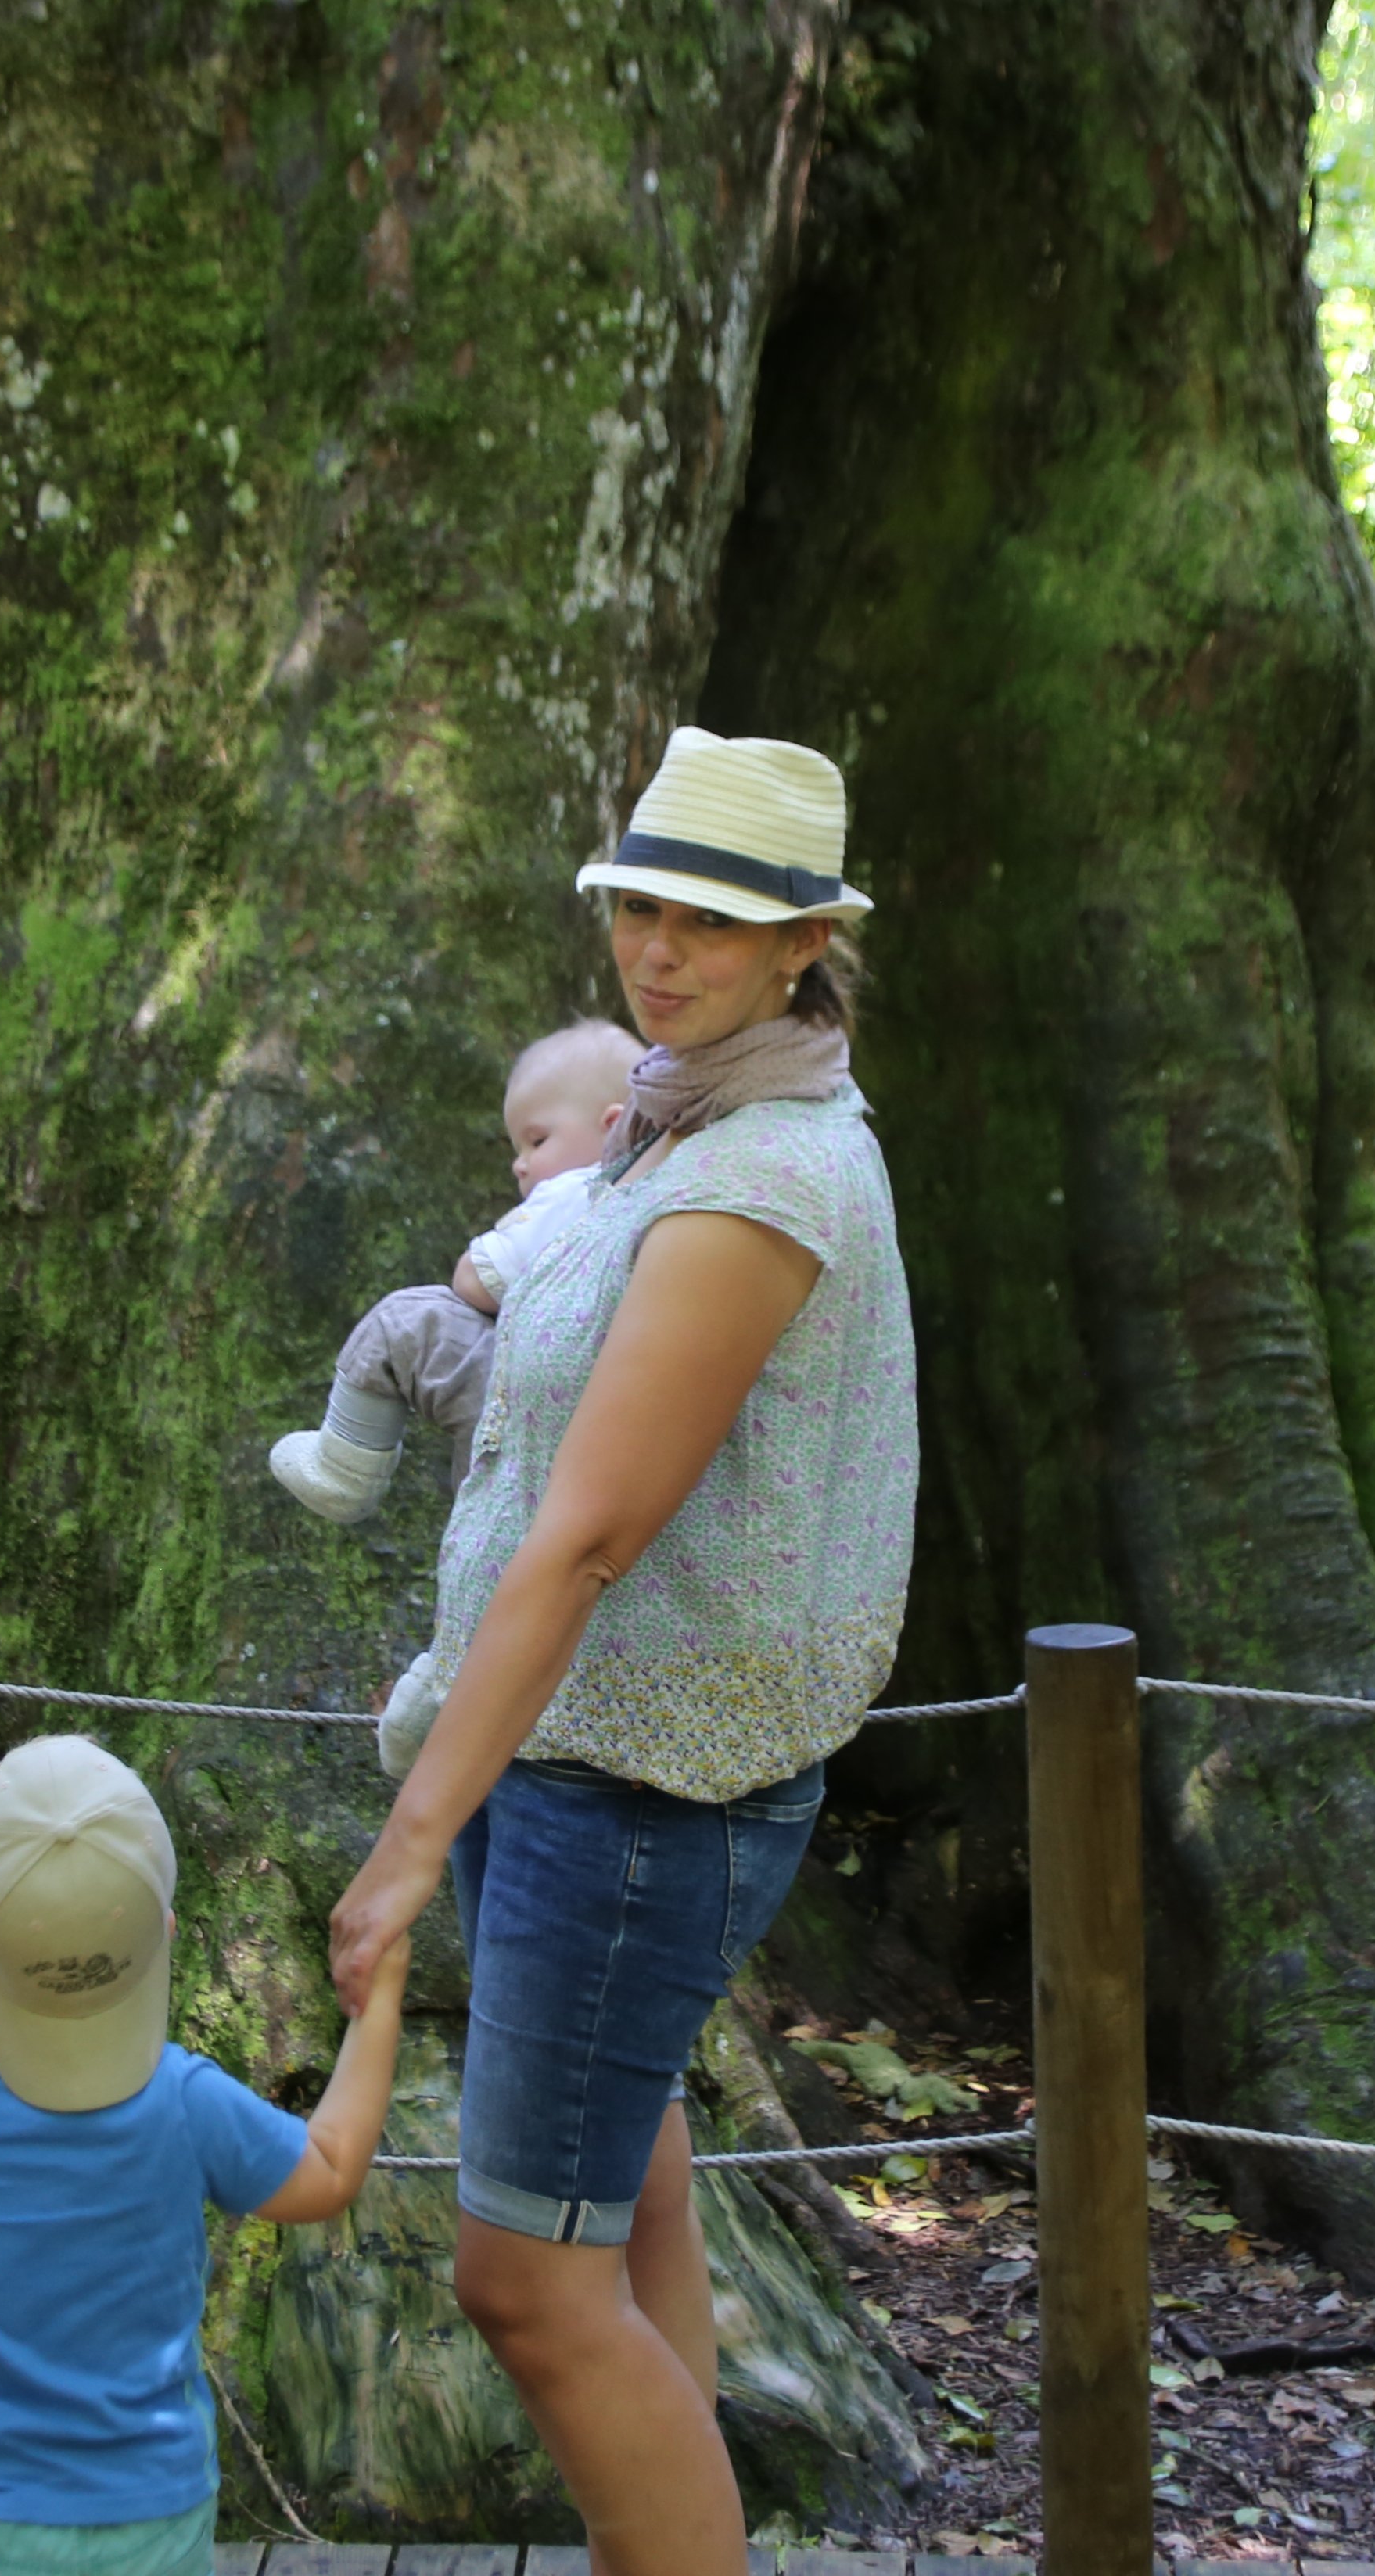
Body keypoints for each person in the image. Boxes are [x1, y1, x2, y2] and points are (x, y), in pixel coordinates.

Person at [324, 727, 917, 2576]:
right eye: (639, 907)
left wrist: (410, 1836)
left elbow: (587, 1533)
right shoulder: (674, 1118)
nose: (659, 949)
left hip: (642, 1792)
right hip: (565, 1756)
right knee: (623, 2196)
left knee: (522, 2281)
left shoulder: (762, 1177)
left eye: (712, 923)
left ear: (800, 942)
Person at [0, 1734, 407, 2576]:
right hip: (149, 2514)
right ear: (165, 1935)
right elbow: (330, 2171)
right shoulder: (183, 2103)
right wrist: (379, 2008)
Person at [267, 1017, 648, 1526]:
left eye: (536, 1141)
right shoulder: (662, 1196)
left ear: (613, 1126)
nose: (519, 1165)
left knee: (408, 1321)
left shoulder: (584, 1188)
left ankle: (343, 1469)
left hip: (545, 1401)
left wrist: (476, 1259)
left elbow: (479, 1282)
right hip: (609, 1419)